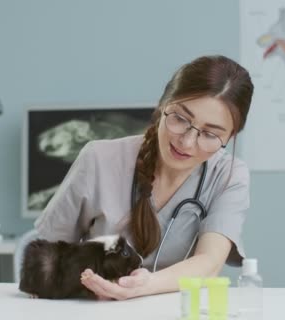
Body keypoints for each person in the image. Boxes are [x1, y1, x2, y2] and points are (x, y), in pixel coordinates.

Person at [33, 55, 254, 300]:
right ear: (162, 106)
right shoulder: (99, 159)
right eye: (180, 119)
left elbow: (209, 262)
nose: (187, 142)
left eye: (210, 134)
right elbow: (48, 252)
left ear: (230, 137)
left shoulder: (228, 175)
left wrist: (143, 285)